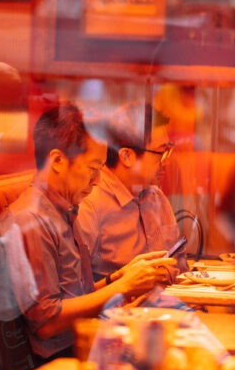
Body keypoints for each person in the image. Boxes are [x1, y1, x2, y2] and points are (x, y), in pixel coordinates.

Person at [3, 101, 172, 360]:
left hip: (85, 342)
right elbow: (47, 324)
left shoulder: (64, 209)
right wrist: (123, 287)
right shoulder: (31, 219)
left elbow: (73, 294)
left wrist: (118, 278)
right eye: (93, 169)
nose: (97, 181)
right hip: (58, 358)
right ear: (58, 160)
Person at [77, 102, 187, 282]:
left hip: (165, 305)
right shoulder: (90, 205)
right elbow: (78, 292)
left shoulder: (155, 197)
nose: (166, 161)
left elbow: (179, 264)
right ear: (127, 156)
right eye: (161, 152)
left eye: (169, 150)